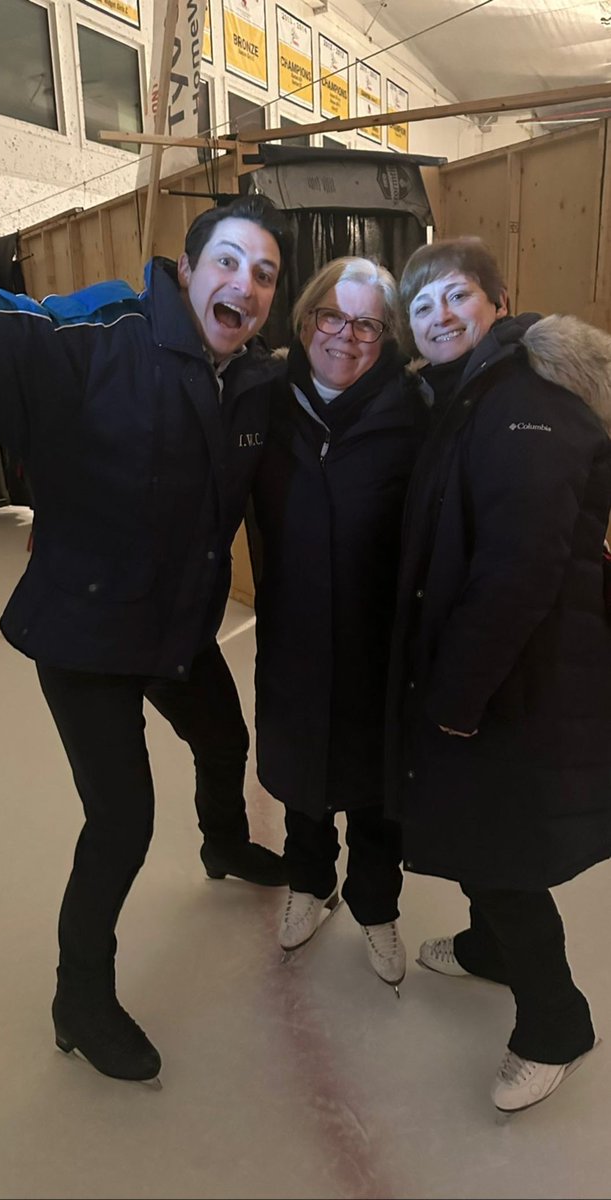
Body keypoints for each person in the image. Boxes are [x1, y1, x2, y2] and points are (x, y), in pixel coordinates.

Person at [0, 194, 293, 1084]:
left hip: (175, 627)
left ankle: (221, 841)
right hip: (85, 634)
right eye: (227, 261)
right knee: (122, 820)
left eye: (263, 273)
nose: (244, 284)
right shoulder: (98, 339)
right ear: (187, 269)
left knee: (224, 739)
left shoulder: (253, 381)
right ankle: (81, 998)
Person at [387, 235, 611, 1112]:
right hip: (505, 666)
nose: (439, 315)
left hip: (523, 672)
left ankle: (555, 1025)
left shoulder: (522, 403)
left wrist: (455, 694)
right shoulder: (471, 393)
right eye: (421, 305)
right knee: (478, 821)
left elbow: (518, 571)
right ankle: (486, 949)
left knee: (502, 850)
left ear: (497, 301)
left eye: (455, 295)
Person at [250, 256, 426, 987]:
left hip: (379, 642)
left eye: (366, 325)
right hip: (292, 627)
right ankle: (310, 880)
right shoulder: (264, 399)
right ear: (306, 319)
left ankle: (375, 905)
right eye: (333, 316)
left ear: (386, 338)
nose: (345, 337)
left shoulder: (414, 412)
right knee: (302, 772)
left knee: (376, 789)